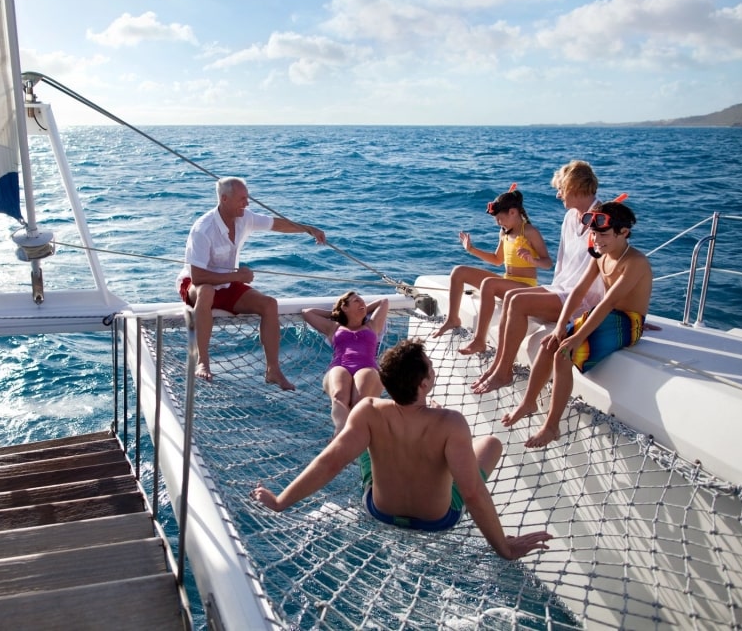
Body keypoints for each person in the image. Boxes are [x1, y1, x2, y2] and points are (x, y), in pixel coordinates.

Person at [251, 339, 553, 561]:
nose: (433, 371)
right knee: (490, 443)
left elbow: (329, 463)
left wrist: (279, 501)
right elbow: (472, 492)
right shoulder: (451, 423)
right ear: (423, 385)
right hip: (438, 520)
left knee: (361, 440)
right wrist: (504, 548)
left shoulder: (369, 410)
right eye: (431, 370)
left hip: (380, 511)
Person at [502, 201, 652, 448]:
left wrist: (578, 336)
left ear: (624, 232)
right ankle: (529, 401)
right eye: (593, 234)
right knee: (549, 342)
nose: (597, 239)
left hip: (629, 323)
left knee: (564, 352)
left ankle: (552, 426)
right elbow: (578, 291)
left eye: (603, 234)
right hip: (607, 314)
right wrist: (561, 325)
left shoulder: (635, 262)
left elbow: (609, 302)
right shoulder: (600, 255)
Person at [177, 176, 326, 390]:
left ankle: (273, 370)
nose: (247, 203)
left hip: (228, 283)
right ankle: (203, 361)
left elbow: (277, 224)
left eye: (247, 198)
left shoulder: (245, 218)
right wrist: (237, 277)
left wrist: (308, 228)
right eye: (242, 199)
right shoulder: (203, 229)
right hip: (196, 284)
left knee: (269, 304)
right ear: (225, 199)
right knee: (207, 291)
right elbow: (199, 277)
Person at [471, 161, 604, 394]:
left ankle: (504, 372)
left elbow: (610, 267)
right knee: (513, 296)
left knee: (519, 302)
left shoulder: (602, 221)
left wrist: (616, 308)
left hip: (584, 300)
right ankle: (498, 365)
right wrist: (548, 291)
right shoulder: (571, 218)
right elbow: (562, 266)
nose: (558, 194)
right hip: (562, 289)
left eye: (561, 189)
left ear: (573, 187)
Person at [431, 188, 552, 352]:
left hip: (525, 288)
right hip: (507, 283)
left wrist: (533, 260)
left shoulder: (530, 232)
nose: (498, 223)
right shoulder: (504, 233)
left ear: (513, 212)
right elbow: (497, 260)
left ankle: (479, 340)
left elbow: (548, 263)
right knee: (459, 271)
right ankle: (453, 319)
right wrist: (472, 249)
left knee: (489, 284)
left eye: (500, 219)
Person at [301, 292, 390, 436]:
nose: (362, 304)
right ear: (344, 307)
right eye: (356, 301)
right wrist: (334, 313)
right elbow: (307, 313)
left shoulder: (372, 325)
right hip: (340, 366)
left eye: (363, 301)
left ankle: (357, 436)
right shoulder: (334, 328)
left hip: (367, 367)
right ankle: (341, 433)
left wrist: (362, 309)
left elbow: (384, 302)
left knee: (359, 401)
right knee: (339, 396)